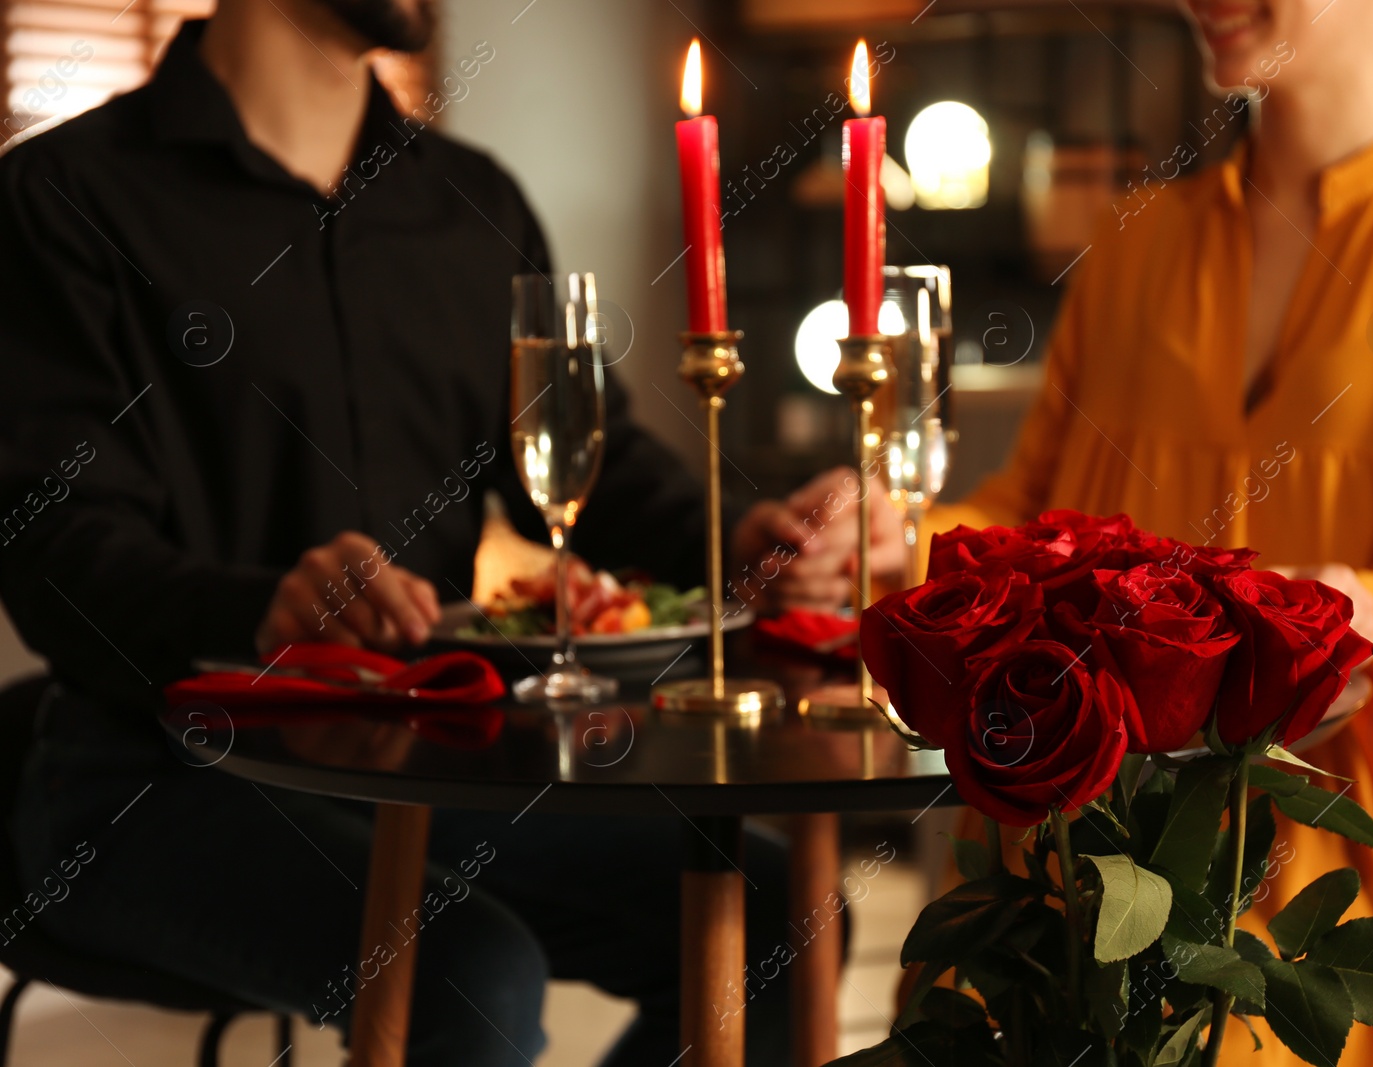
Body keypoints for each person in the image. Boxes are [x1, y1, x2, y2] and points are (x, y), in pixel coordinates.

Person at [0, 0, 866, 1062]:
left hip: (430, 771)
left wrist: (751, 545)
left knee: (782, 916)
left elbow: (603, 465)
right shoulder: (66, 197)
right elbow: (52, 553)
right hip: (153, 781)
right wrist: (261, 608)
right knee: (469, 969)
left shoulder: (471, 203)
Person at [767, 0, 1373, 1063]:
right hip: (1111, 836)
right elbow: (1029, 514)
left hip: (1363, 832)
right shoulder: (1135, 235)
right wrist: (904, 537)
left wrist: (1339, 618)